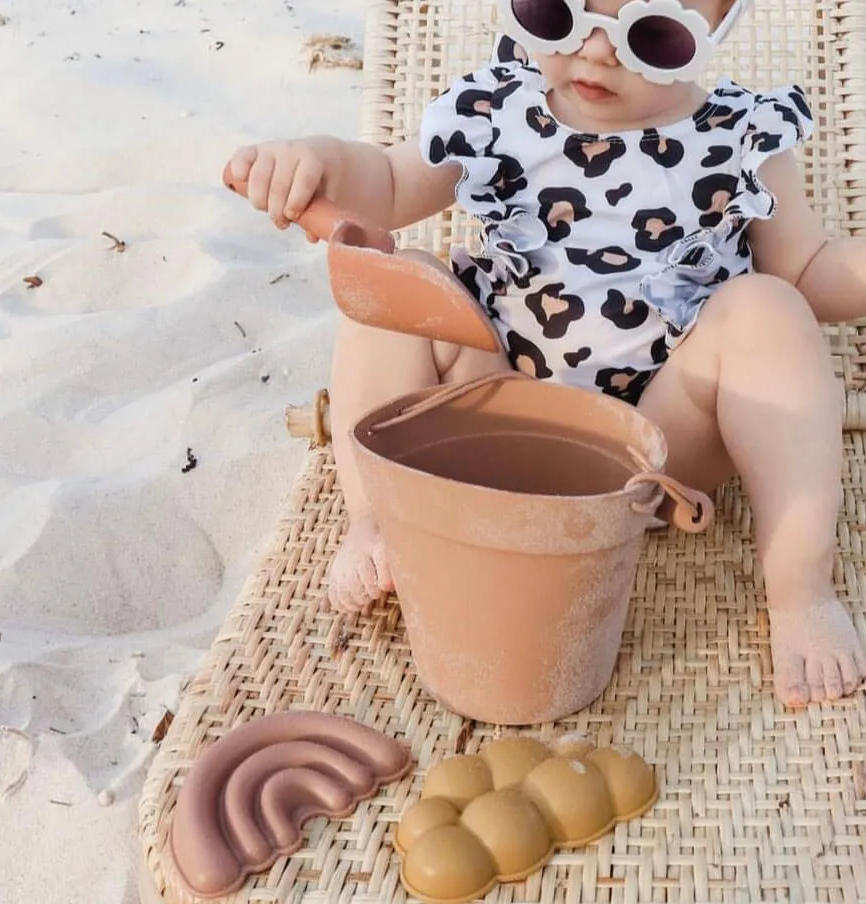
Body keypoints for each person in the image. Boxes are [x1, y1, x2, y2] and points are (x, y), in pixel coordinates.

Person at [227, 0, 866, 706]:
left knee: (771, 307)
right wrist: (316, 160)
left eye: (650, 36)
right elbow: (383, 186)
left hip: (659, 448)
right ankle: (376, 519)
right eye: (555, 13)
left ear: (709, 32)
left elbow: (808, 273)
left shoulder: (742, 137)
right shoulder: (497, 107)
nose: (594, 50)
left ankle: (800, 587)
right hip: (495, 406)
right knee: (401, 285)